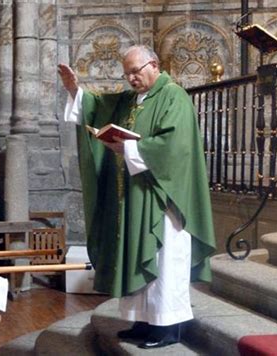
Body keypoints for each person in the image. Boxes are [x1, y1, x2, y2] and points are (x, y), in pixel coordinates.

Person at [58, 45, 216, 349]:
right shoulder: (133, 99)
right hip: (135, 196)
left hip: (163, 200)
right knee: (139, 256)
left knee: (164, 260)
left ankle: (168, 328)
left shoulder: (174, 96)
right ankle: (145, 322)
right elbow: (100, 106)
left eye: (135, 71)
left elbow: (175, 145)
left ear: (153, 65)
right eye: (127, 73)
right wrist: (76, 90)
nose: (130, 79)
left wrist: (131, 148)